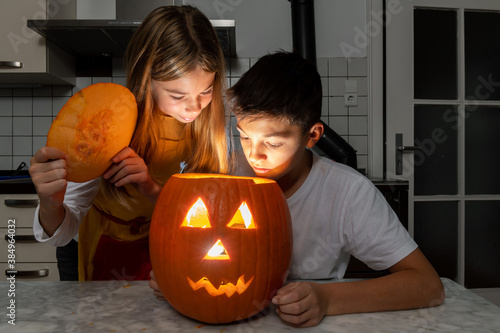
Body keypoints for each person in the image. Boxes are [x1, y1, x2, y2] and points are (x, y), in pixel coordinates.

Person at [149, 51, 445, 327]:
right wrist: (175, 278)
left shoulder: (348, 192)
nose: (255, 155)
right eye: (245, 137)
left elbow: (426, 285)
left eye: (274, 143)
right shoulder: (223, 174)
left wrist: (328, 299)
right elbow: (185, 237)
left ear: (312, 136)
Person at [30, 5, 229, 281]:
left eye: (205, 92)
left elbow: (204, 219)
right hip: (102, 251)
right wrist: (50, 204)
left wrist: (150, 189)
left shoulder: (209, 129)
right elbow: (62, 234)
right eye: (177, 95)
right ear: (146, 81)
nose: (194, 108)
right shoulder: (112, 123)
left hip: (163, 251)